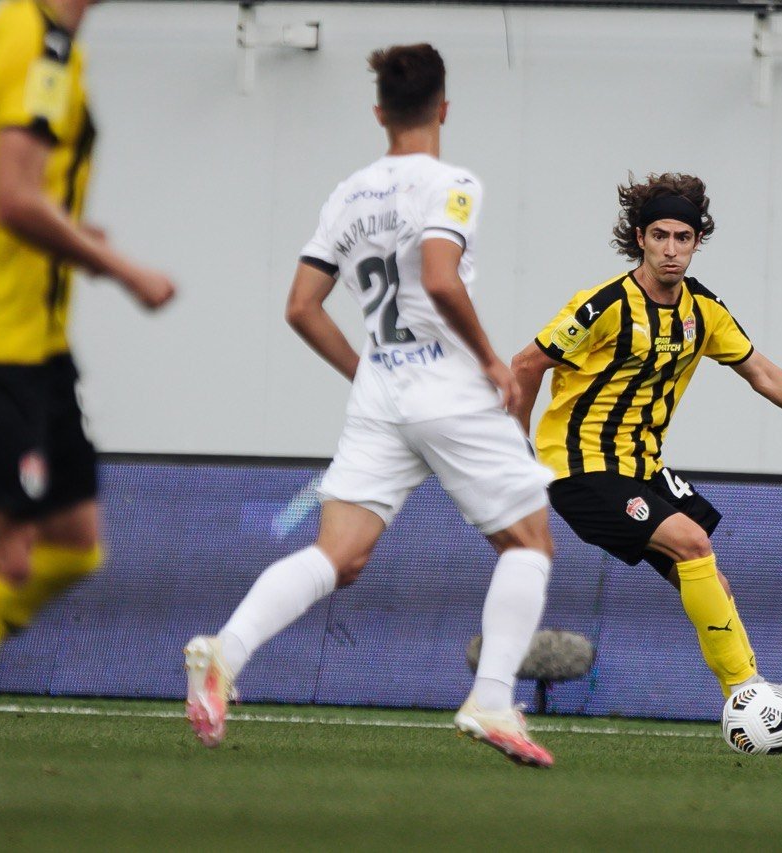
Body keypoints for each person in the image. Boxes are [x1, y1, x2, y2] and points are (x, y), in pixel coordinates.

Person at [183, 44, 557, 768]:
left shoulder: (347, 194)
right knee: (528, 543)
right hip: (447, 385)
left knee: (338, 556)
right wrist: (488, 358)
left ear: (379, 112)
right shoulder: (452, 183)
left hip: (381, 393)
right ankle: (490, 698)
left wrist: (366, 371)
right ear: (443, 107)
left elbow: (302, 306)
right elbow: (441, 280)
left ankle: (224, 653)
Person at [512, 173, 782, 743]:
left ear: (697, 241)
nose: (671, 249)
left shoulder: (703, 309)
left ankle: (753, 696)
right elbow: (524, 366)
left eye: (683, 237)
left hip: (642, 467)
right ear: (640, 238)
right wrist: (516, 453)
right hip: (580, 467)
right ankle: (750, 691)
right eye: (659, 236)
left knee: (709, 578)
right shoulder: (604, 305)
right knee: (691, 541)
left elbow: (762, 372)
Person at [0, 0, 175, 659]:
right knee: (8, 553)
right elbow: (14, 197)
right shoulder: (36, 41)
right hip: (2, 344)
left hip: (39, 347)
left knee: (72, 543)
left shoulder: (56, 44)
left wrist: (73, 239)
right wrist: (123, 269)